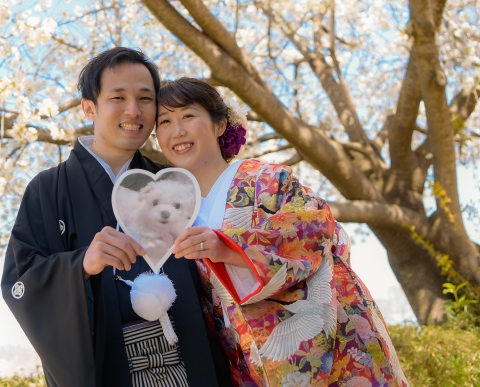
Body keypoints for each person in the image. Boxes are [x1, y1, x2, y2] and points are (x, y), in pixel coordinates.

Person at [155, 77, 408, 387]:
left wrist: (227, 248)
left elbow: (315, 228)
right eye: (164, 121)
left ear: (220, 124)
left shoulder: (266, 178)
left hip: (333, 344)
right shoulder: (175, 212)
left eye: (188, 116)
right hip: (248, 361)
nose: (177, 131)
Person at [1, 49, 232, 387]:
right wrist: (81, 264)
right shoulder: (48, 190)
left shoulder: (174, 182)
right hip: (109, 369)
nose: (133, 111)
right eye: (118, 97)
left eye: (145, 98)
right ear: (89, 106)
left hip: (190, 364)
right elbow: (19, 284)